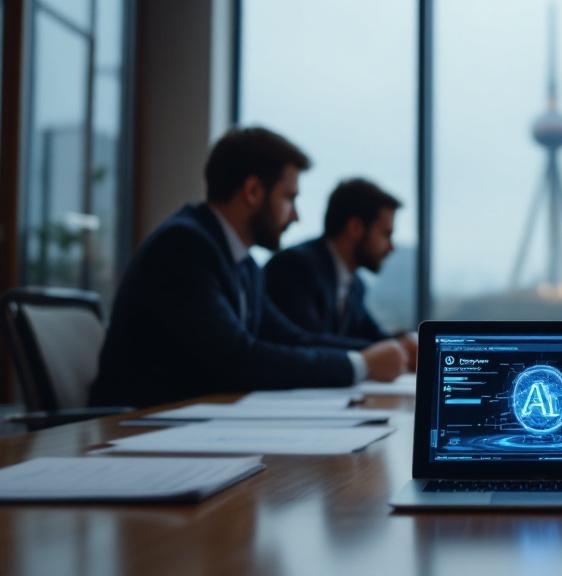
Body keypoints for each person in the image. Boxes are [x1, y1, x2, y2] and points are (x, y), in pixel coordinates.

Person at [90, 127, 407, 408]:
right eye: (289, 198)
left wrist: (374, 354)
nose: (295, 216)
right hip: (134, 426)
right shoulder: (185, 246)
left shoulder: (244, 264)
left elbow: (291, 339)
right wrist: (359, 364)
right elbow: (238, 359)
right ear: (253, 191)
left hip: (194, 421)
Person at [263, 178, 416, 369]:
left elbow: (372, 335)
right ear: (355, 228)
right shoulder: (294, 267)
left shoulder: (355, 284)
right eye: (386, 234)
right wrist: (390, 349)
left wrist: (402, 343)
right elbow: (304, 342)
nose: (391, 247)